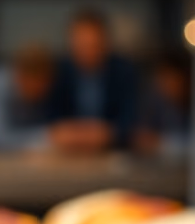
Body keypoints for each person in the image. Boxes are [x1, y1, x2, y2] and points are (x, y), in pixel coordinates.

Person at [47, 9, 140, 152]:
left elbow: (131, 119)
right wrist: (63, 131)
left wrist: (110, 133)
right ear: (71, 42)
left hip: (113, 151)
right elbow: (49, 116)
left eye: (94, 44)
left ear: (106, 42)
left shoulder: (124, 71)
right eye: (81, 43)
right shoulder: (58, 71)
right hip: (67, 151)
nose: (88, 51)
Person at [134, 51, 193, 157]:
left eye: (169, 78)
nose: (164, 84)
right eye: (161, 79)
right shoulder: (156, 102)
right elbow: (142, 136)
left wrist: (162, 143)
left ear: (183, 79)